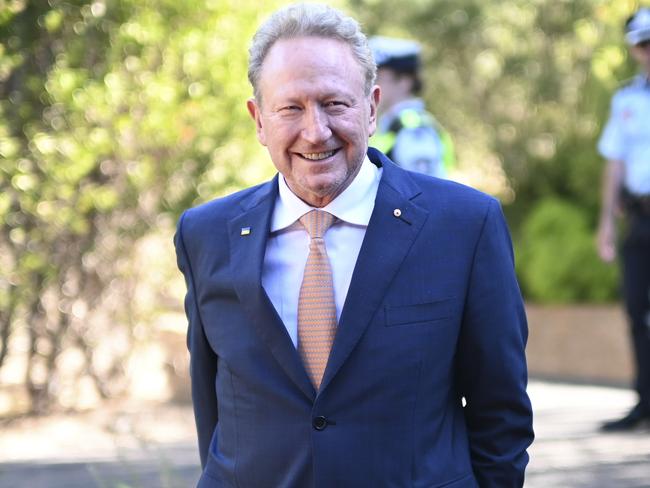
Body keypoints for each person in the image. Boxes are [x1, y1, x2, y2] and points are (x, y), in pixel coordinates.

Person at [175, 4, 533, 487]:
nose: (315, 131)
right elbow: (213, 415)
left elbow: (501, 416)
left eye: (334, 104)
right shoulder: (206, 235)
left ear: (370, 108)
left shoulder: (464, 226)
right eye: (291, 108)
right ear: (259, 120)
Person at [597, 7, 650, 432]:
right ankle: (644, 400)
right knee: (637, 310)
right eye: (644, 45)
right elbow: (614, 162)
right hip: (640, 218)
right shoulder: (626, 99)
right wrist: (606, 225)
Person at [369, 36, 455, 178]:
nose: (371, 85)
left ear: (405, 81)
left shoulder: (413, 128)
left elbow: (425, 192)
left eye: (378, 79)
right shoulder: (394, 124)